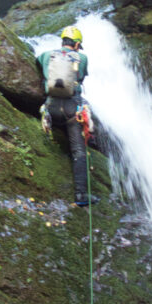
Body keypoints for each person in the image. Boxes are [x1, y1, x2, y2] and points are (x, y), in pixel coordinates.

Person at [37, 26, 99, 207]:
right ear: (77, 44)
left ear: (62, 41)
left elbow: (38, 64)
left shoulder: (47, 55)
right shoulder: (83, 58)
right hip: (73, 111)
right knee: (79, 151)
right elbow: (80, 77)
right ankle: (81, 195)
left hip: (52, 108)